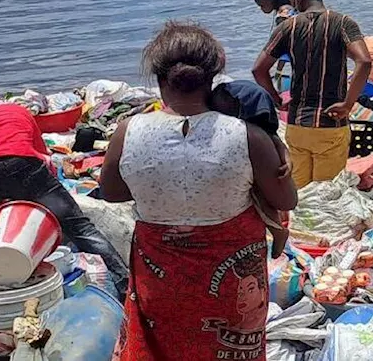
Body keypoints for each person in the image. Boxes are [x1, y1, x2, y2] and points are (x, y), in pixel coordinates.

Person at [100, 22, 295, 361]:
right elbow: (286, 200)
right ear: (212, 79)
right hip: (231, 284)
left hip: (160, 281)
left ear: (161, 80)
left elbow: (112, 192)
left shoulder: (128, 131)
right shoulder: (247, 136)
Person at [0, 85, 128, 296]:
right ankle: (124, 281)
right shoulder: (18, 111)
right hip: (20, 164)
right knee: (79, 227)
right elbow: (40, 153)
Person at [252, 0, 371, 188]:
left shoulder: (288, 26)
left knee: (300, 194)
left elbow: (258, 70)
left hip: (298, 125)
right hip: (331, 124)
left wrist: (277, 100)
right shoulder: (343, 23)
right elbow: (364, 62)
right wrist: (348, 104)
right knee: (328, 196)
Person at [208, 77, 293, 257]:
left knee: (262, 199)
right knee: (261, 200)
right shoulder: (234, 132)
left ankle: (278, 231)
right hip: (241, 176)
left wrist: (287, 162)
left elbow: (277, 142)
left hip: (254, 176)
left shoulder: (257, 135)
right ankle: (277, 230)